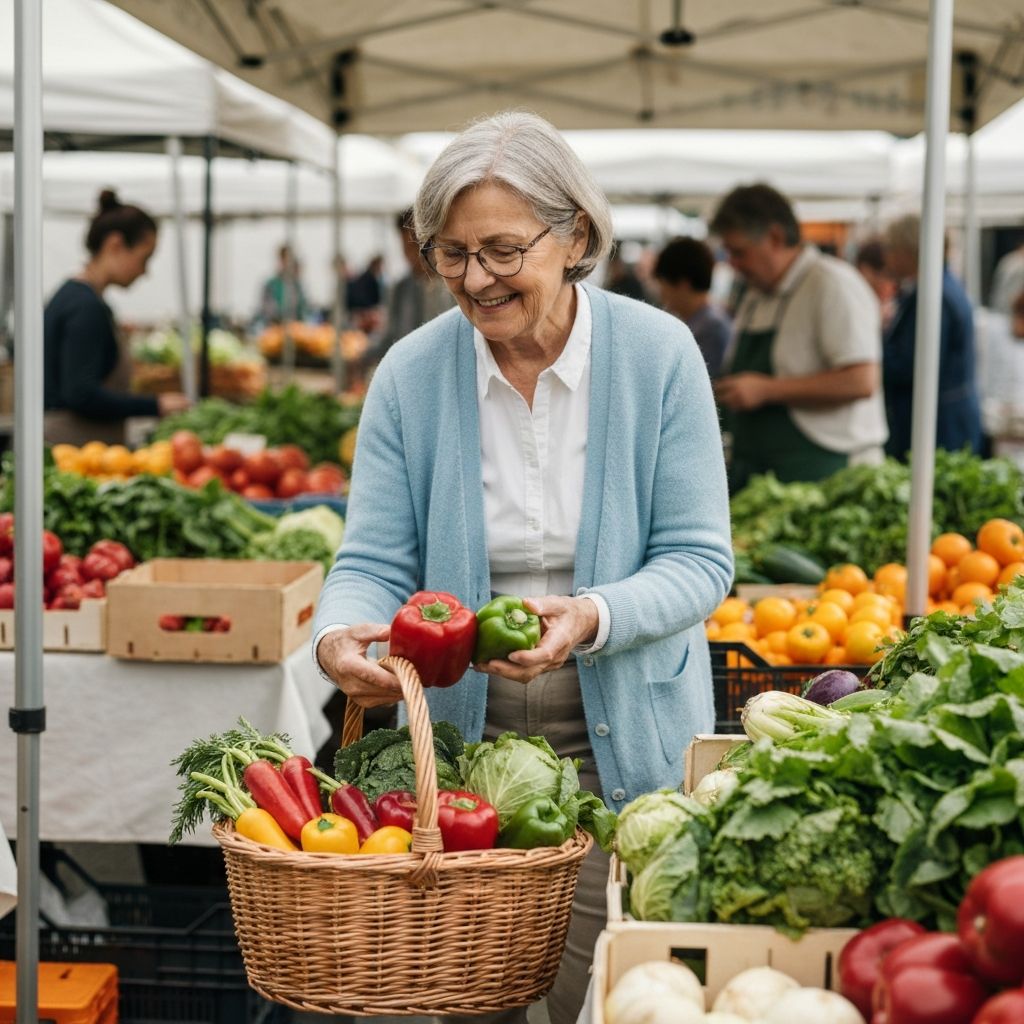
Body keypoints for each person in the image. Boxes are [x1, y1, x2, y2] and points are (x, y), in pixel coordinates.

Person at [313, 110, 732, 1024]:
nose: (475, 279)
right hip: (449, 756)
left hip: (622, 742)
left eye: (503, 250)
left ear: (574, 233)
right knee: (459, 998)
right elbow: (371, 561)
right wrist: (338, 635)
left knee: (613, 996)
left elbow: (700, 560)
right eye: (451, 253)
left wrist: (588, 616)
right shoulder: (410, 375)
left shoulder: (660, 357)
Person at [709, 183, 887, 491]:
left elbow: (862, 381)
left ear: (775, 238)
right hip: (766, 474)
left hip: (830, 473)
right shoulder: (755, 294)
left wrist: (766, 390)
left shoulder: (831, 284)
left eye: (739, 253)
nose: (733, 264)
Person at [44, 189, 189, 445]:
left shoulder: (74, 297)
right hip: (72, 446)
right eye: (144, 259)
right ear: (115, 245)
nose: (145, 272)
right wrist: (155, 405)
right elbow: (81, 394)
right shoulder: (84, 307)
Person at [881, 214, 983, 460]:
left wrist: (873, 350)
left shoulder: (934, 294)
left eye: (892, 248)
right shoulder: (938, 287)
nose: (888, 257)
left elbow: (911, 365)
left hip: (940, 426)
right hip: (944, 421)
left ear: (910, 250)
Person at [376, 207, 455, 362]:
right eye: (406, 247)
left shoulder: (454, 287)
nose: (413, 255)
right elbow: (390, 338)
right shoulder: (401, 289)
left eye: (417, 245)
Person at [653, 236, 732, 377]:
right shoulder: (702, 321)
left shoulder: (710, 328)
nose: (661, 294)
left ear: (683, 285)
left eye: (662, 284)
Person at [855, 237, 898, 329]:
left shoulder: (895, 311)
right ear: (865, 271)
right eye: (886, 276)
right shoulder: (856, 307)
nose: (892, 286)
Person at [260, 244, 308, 324]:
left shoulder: (297, 285)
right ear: (281, 260)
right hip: (276, 326)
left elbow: (304, 308)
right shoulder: (271, 285)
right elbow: (269, 310)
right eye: (286, 259)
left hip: (296, 326)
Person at [989, 241, 1024, 316]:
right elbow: (1014, 296)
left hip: (998, 306)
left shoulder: (1007, 259)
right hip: (1007, 310)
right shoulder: (1019, 264)